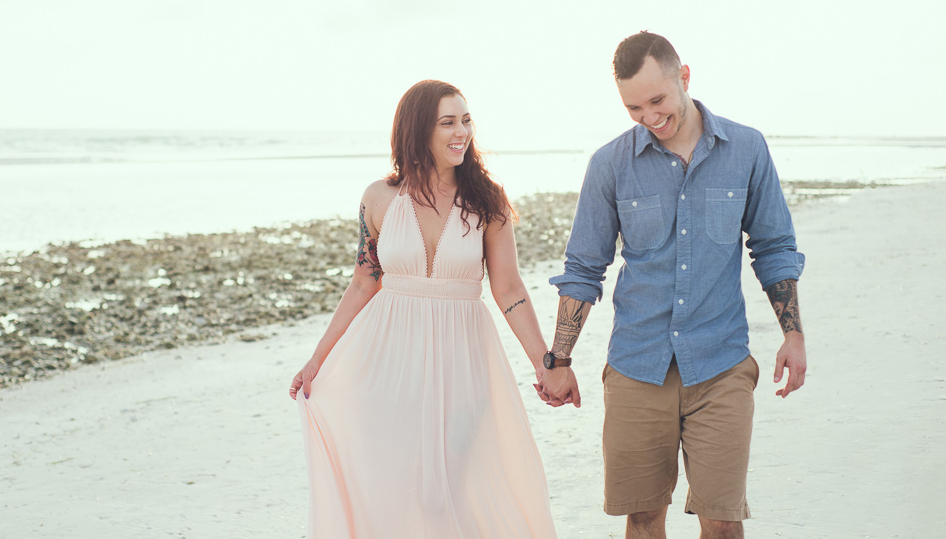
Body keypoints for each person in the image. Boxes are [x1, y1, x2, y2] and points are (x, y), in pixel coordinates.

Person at [536, 31, 807, 539]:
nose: (648, 117)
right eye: (633, 107)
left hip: (721, 363)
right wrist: (560, 360)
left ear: (685, 76)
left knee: (724, 522)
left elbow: (773, 246)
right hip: (638, 366)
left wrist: (793, 335)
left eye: (657, 100)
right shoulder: (609, 164)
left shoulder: (746, 148)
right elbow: (583, 270)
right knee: (642, 519)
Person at [289, 80, 558, 538]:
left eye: (466, 120)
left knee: (446, 490)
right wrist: (318, 358)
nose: (462, 132)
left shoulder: (487, 200)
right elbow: (362, 281)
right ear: (418, 130)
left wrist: (546, 362)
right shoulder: (379, 198)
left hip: (463, 361)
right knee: (393, 488)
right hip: (388, 361)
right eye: (448, 122)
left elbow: (509, 288)